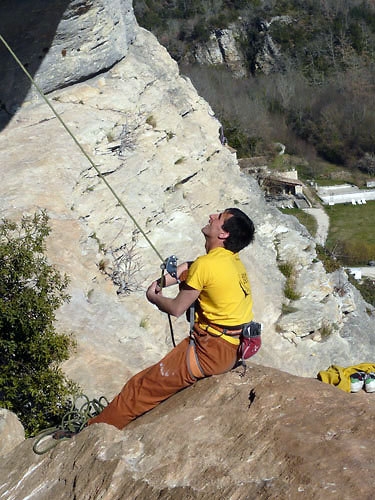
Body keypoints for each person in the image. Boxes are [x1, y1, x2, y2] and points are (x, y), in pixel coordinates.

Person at [88, 207, 255, 430]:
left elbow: (177, 308)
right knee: (140, 386)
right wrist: (165, 280)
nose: (211, 217)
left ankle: (90, 432)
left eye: (219, 218)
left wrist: (154, 296)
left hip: (210, 350)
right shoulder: (231, 261)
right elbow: (193, 267)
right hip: (229, 348)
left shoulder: (208, 265)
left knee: (139, 389)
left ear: (223, 234)